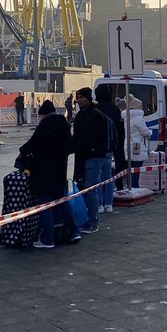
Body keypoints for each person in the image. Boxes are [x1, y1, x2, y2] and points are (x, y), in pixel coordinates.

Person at [19, 100, 80, 249]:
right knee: (62, 201)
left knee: (45, 204)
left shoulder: (44, 126)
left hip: (43, 171)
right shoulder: (65, 125)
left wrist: (23, 151)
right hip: (60, 170)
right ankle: (74, 231)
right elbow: (71, 147)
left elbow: (31, 145)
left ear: (43, 114)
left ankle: (47, 239)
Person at [71, 87, 108, 233]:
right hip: (84, 155)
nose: (79, 101)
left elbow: (87, 137)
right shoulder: (82, 114)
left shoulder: (94, 115)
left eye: (81, 98)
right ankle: (89, 218)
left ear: (88, 98)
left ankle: (93, 222)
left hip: (94, 155)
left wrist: (73, 147)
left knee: (89, 187)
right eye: (77, 98)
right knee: (83, 186)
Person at [95, 85, 124, 206]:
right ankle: (109, 203)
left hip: (98, 147)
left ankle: (100, 203)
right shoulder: (114, 109)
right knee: (108, 175)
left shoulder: (96, 109)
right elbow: (120, 129)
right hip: (112, 145)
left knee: (98, 176)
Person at [125, 96, 153, 187]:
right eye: (141, 106)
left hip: (129, 144)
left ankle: (130, 185)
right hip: (137, 145)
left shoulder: (126, 117)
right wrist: (150, 132)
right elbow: (145, 132)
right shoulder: (138, 118)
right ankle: (135, 186)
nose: (142, 108)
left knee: (131, 167)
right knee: (137, 168)